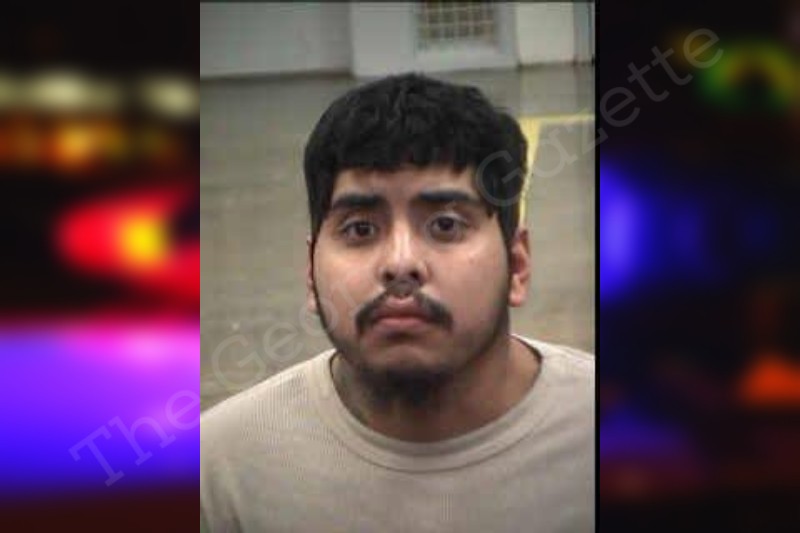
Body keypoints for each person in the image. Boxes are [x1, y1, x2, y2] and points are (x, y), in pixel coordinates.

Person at [200, 73, 594, 532]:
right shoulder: (220, 472)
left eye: (446, 225)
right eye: (360, 229)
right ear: (310, 271)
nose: (400, 263)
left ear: (518, 265)